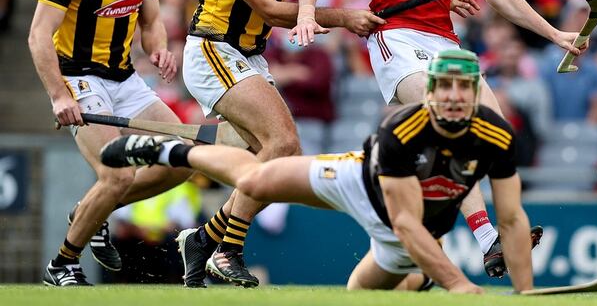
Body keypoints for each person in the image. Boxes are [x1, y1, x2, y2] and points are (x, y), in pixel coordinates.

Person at [290, 0, 585, 276]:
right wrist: (309, 13)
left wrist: (554, 33)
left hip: (445, 41)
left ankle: (499, 230)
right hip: (396, 36)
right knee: (451, 120)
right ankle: (489, 237)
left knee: (494, 126)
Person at [100, 50, 535, 294]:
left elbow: (512, 219)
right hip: (359, 186)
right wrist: (458, 285)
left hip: (406, 233)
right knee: (257, 179)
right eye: (446, 86)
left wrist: (525, 291)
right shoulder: (403, 129)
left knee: (362, 295)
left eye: (465, 87)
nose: (456, 96)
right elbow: (402, 219)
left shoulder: (495, 135)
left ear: (477, 90)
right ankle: (176, 153)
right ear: (431, 90)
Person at [173, 0, 385, 288]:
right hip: (214, 50)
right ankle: (228, 251)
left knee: (278, 161)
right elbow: (271, 10)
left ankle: (203, 241)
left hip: (249, 56)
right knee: (283, 142)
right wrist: (345, 17)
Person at [27, 0, 193, 286]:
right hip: (80, 80)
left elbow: (150, 20)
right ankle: (63, 263)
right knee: (116, 174)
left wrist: (158, 48)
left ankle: (91, 208)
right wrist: (57, 95)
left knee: (185, 157)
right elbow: (37, 36)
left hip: (126, 79)